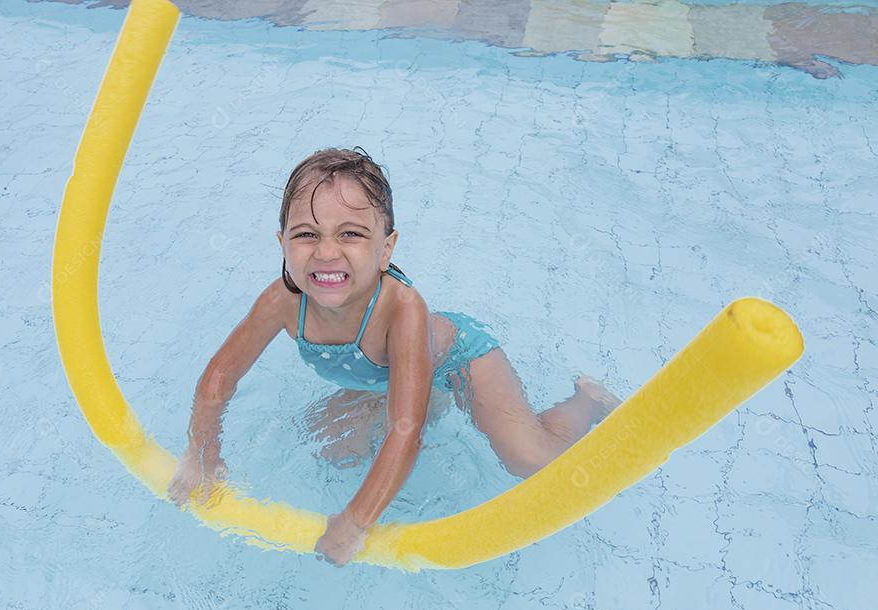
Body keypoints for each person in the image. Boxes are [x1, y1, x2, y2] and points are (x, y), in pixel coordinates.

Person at [169, 147, 620, 566]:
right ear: (282, 243)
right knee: (329, 449)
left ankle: (587, 402)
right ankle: (424, 402)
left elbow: (407, 428)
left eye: (351, 234)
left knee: (531, 461)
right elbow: (219, 377)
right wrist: (200, 451)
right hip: (386, 377)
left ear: (386, 248)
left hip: (458, 363)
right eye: (307, 234)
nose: (326, 252)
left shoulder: (403, 310)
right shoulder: (283, 301)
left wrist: (355, 520)